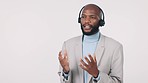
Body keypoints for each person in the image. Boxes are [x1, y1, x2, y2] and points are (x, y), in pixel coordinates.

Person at [58, 4, 123, 83]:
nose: (86, 21)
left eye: (92, 17)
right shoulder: (68, 45)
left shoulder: (115, 47)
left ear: (101, 22)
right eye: (83, 17)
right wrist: (65, 72)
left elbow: (118, 81)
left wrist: (97, 74)